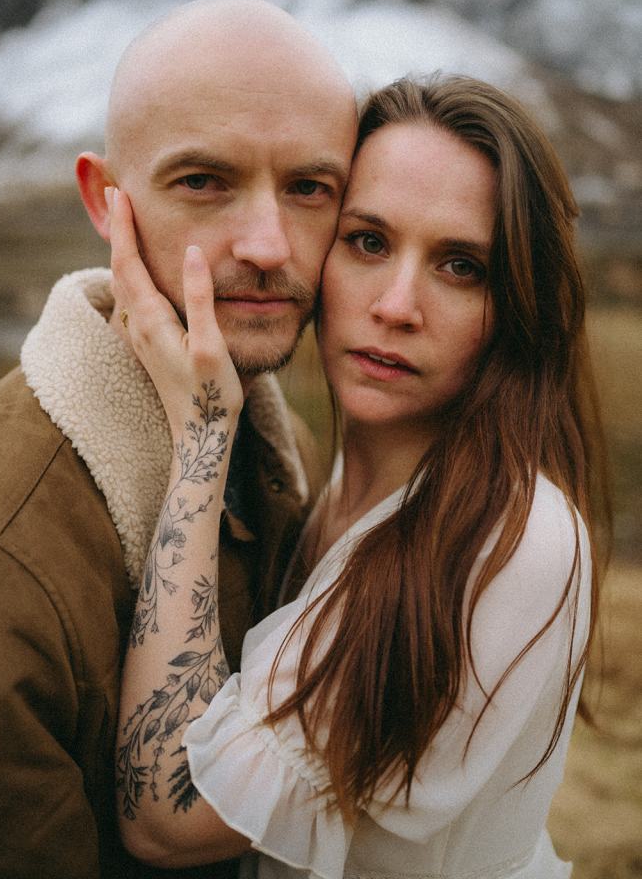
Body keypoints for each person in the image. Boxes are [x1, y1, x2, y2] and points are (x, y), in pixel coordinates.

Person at [113, 74, 607, 878]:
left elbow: (168, 819)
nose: (397, 304)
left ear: (516, 303)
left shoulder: (513, 542)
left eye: (461, 266)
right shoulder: (343, 476)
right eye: (369, 242)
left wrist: (204, 433)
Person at [0, 0, 357, 879]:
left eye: (309, 189)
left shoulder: (278, 440)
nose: (266, 245)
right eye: (204, 181)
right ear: (107, 201)